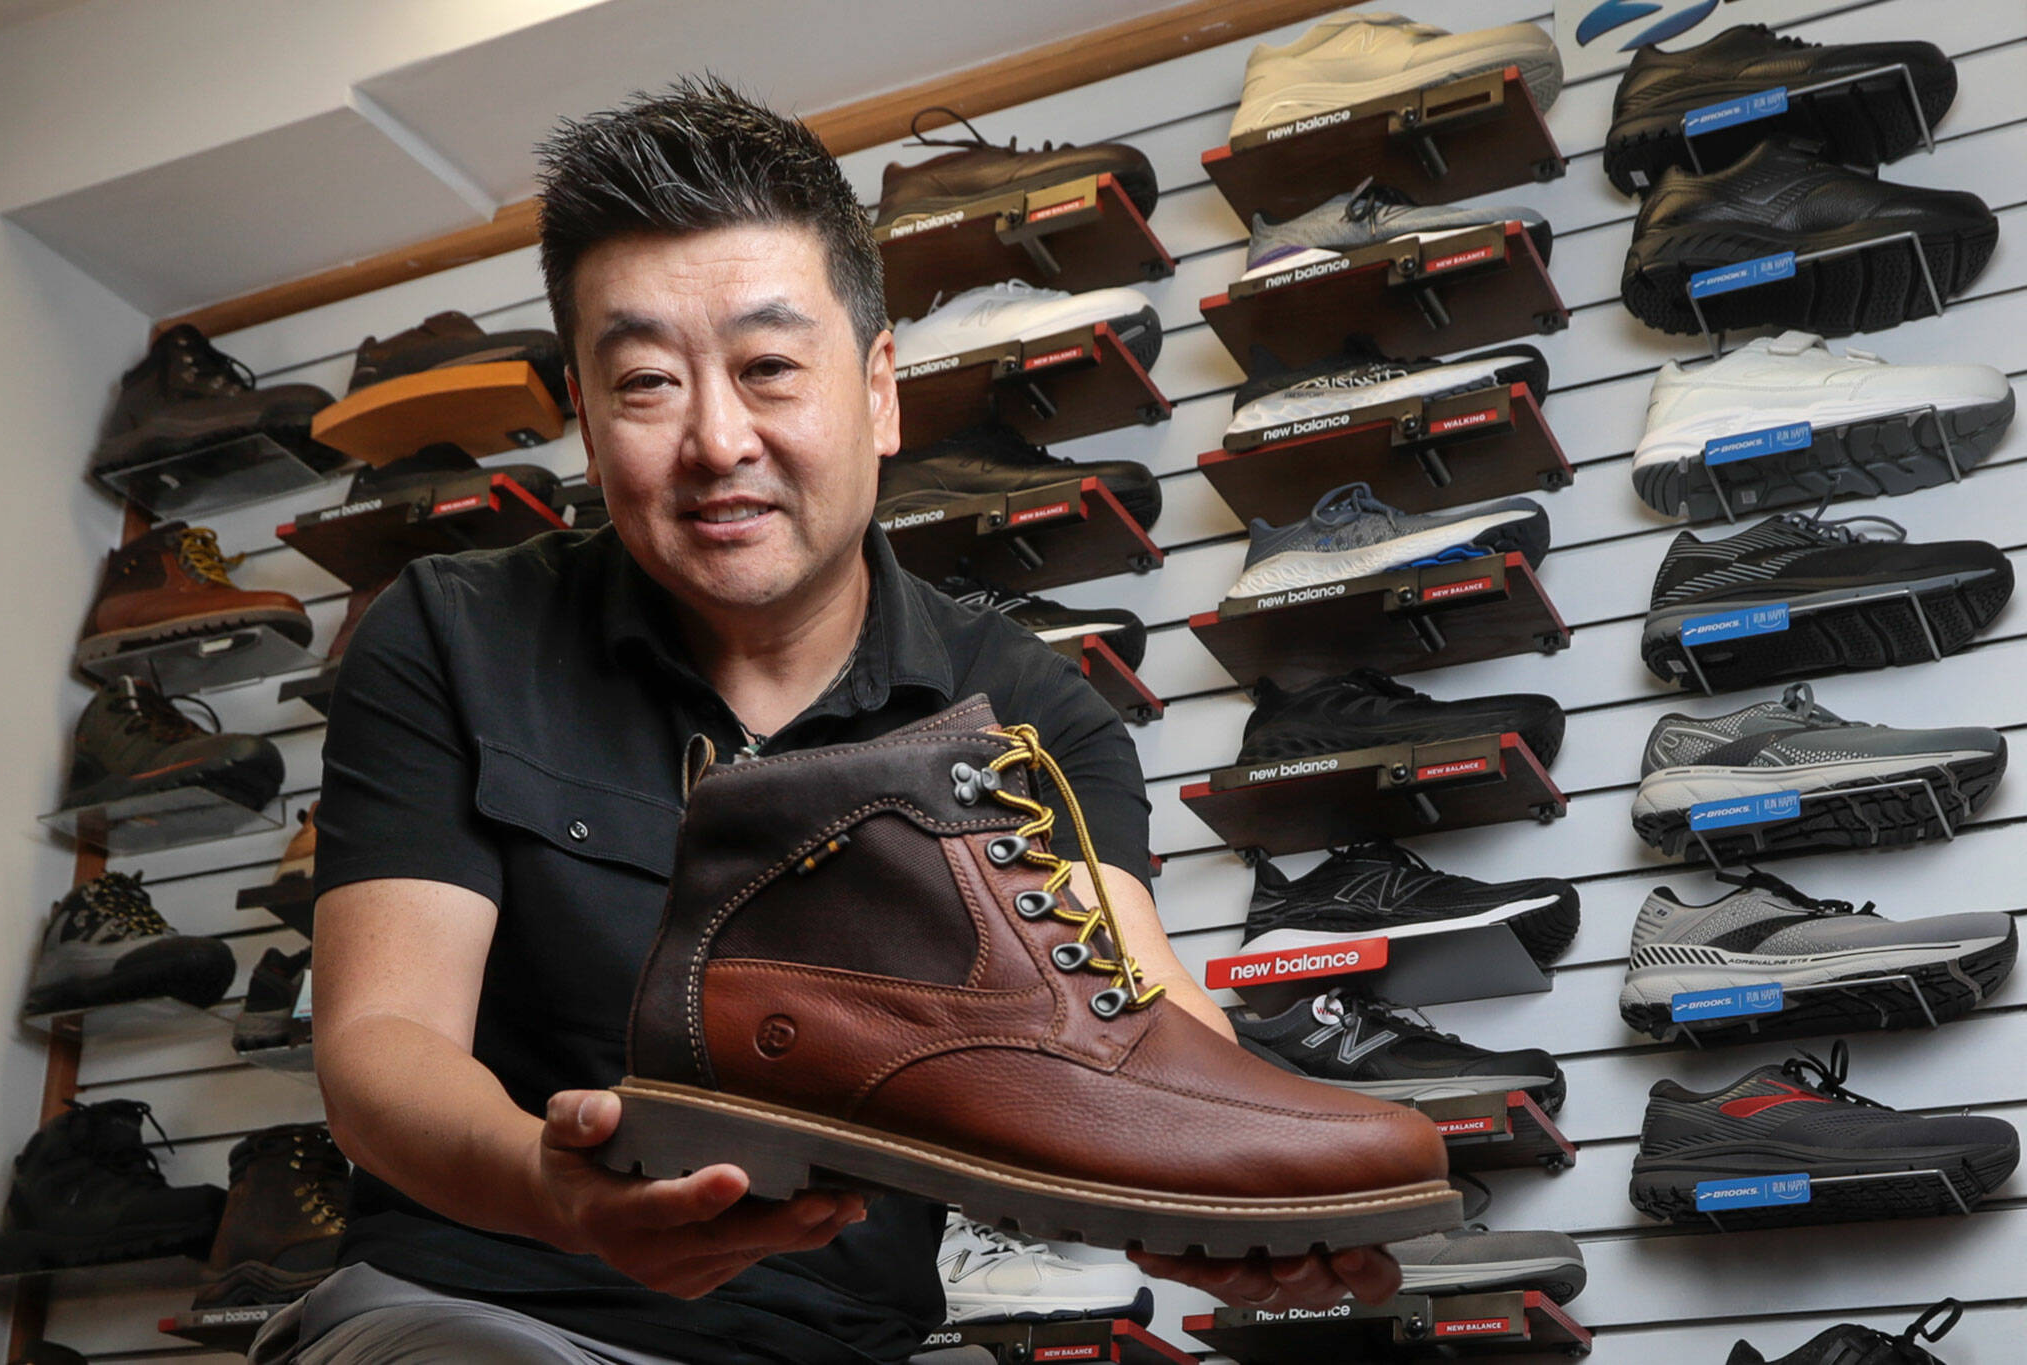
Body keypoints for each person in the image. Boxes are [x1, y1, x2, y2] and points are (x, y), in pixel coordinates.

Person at [260, 77, 1402, 1365]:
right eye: (643, 384)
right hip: (479, 1307)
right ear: (581, 421)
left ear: (879, 391)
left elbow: (1138, 1022)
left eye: (768, 369)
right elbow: (382, 1042)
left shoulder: (1029, 708)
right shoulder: (450, 636)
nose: (716, 440)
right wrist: (553, 1194)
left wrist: (1218, 1181)